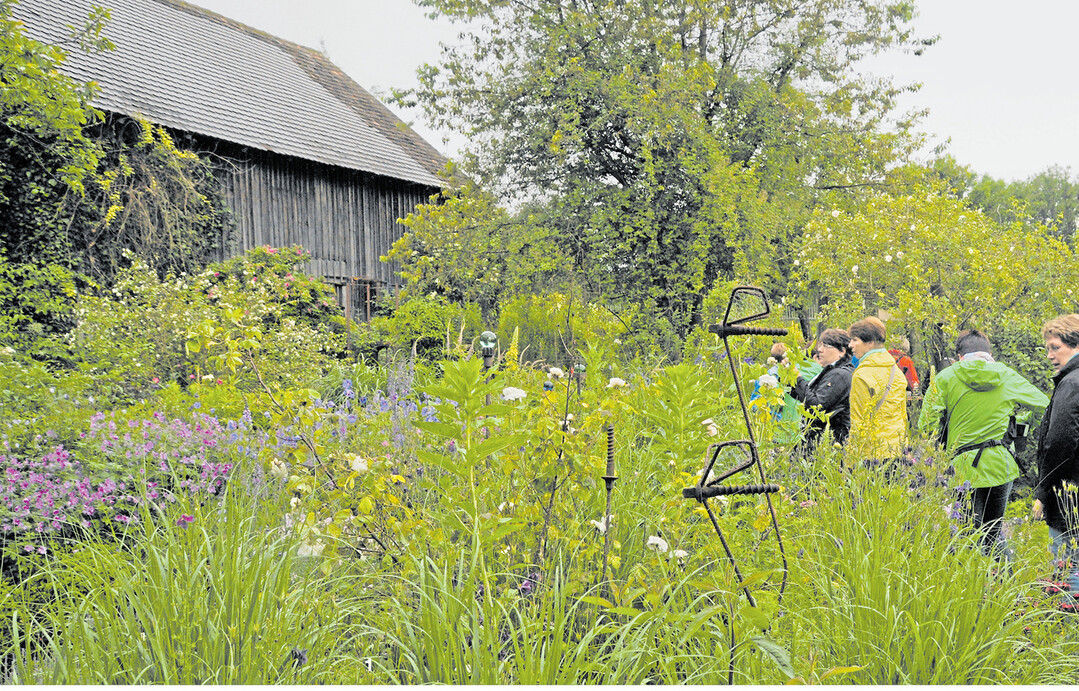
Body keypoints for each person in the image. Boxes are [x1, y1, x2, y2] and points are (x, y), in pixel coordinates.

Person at [918, 330, 1048, 560]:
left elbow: (925, 424)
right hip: (1000, 462)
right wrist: (1022, 423)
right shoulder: (1006, 374)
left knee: (966, 532)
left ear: (960, 356)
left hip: (962, 466)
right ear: (989, 353)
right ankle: (1005, 587)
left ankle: (970, 587)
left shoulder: (946, 377)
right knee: (993, 531)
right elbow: (1044, 405)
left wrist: (940, 444)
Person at [1032, 315, 1079, 602]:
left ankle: (1068, 621)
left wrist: (1044, 491)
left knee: (1067, 562)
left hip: (1070, 493)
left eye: (1055, 347)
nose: (1049, 356)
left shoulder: (1072, 384)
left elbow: (1060, 441)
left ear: (1074, 345)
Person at [847, 317, 908, 462]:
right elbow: (903, 416)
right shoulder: (896, 371)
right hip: (896, 451)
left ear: (870, 343)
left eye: (855, 340)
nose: (850, 345)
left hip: (871, 453)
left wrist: (851, 459)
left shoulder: (862, 375)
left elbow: (859, 422)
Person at [792, 328, 855, 449]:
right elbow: (809, 397)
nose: (819, 349)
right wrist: (789, 380)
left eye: (825, 346)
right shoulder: (833, 371)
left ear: (841, 351)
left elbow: (816, 406)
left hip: (828, 445)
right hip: (823, 443)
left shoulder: (839, 375)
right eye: (820, 345)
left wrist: (798, 379)